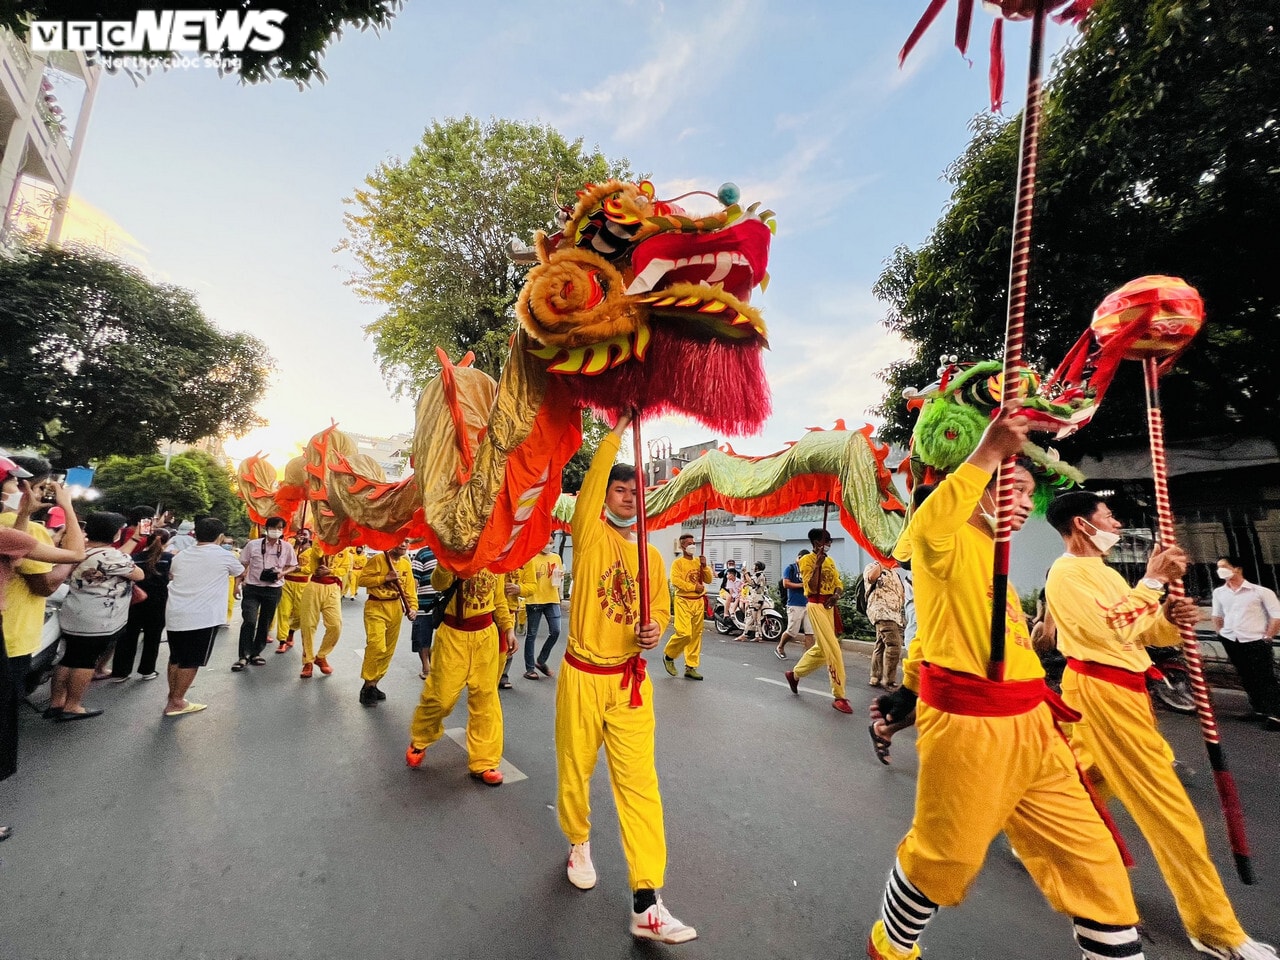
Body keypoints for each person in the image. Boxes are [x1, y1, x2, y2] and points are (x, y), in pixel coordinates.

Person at [866, 407, 1146, 960]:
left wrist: (909, 691)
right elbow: (929, 523)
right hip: (972, 733)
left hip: (1039, 728)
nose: (1021, 504)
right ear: (974, 484)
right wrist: (987, 451)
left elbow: (962, 639)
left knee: (1095, 862)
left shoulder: (1002, 567)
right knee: (945, 858)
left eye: (1027, 494)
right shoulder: (941, 541)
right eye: (1010, 488)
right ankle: (890, 943)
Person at [1045, 492, 1277, 960]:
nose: (1114, 521)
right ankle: (1215, 928)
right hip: (1103, 693)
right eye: (1107, 515)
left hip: (1119, 692)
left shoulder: (1106, 573)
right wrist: (1152, 580)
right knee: (1172, 815)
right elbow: (1112, 626)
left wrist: (1170, 617)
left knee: (1083, 779)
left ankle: (1033, 828)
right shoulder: (1066, 574)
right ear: (1082, 524)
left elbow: (1143, 630)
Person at [555, 413, 695, 945]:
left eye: (637, 492)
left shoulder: (652, 557)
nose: (628, 498)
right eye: (620, 489)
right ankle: (578, 840)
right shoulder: (588, 533)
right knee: (576, 769)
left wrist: (653, 632)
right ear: (606, 495)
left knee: (641, 787)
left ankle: (646, 900)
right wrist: (615, 429)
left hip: (631, 684)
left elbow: (658, 612)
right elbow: (589, 488)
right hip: (582, 675)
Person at [1, 457, 87, 842]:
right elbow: (59, 571)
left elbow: (12, 559)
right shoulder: (17, 531)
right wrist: (67, 507)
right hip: (13, 637)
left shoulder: (14, 529)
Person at [404, 565, 515, 785]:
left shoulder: (495, 558)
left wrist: (509, 628)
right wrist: (452, 563)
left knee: (485, 699)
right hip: (453, 637)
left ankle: (484, 762)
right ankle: (421, 737)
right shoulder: (453, 553)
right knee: (441, 698)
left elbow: (499, 599)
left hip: (486, 637)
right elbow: (438, 583)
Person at [47, 511, 144, 721]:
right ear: (116, 533)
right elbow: (138, 574)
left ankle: (56, 702)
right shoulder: (112, 557)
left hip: (75, 612)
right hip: (99, 618)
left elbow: (117, 557)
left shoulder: (80, 550)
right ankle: (73, 705)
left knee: (69, 658)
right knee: (85, 662)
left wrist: (134, 539)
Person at [164, 517, 244, 717]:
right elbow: (240, 571)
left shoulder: (181, 556)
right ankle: (177, 701)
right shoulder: (224, 556)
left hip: (176, 613)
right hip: (202, 617)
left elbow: (172, 575)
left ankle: (172, 696)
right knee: (191, 660)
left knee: (176, 657)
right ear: (220, 537)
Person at [783, 528, 850, 714]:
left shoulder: (830, 560)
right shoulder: (806, 560)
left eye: (830, 540)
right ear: (815, 542)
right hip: (815, 606)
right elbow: (810, 587)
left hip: (829, 607)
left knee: (822, 649)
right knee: (833, 649)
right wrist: (817, 566)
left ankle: (795, 674)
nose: (829, 544)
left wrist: (836, 595)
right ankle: (840, 696)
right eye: (826, 540)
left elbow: (838, 584)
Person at [1212, 555, 1280, 730]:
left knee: (1265, 678)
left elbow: (1276, 616)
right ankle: (1258, 709)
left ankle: (1275, 714)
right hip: (1232, 640)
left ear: (1237, 568)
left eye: (1224, 566)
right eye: (1218, 567)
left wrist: (1268, 637)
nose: (1220, 570)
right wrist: (1220, 633)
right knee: (1246, 676)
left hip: (1255, 641)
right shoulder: (1219, 593)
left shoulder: (1261, 592)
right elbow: (1217, 615)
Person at [232, 516, 298, 671]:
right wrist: (236, 585)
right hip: (252, 587)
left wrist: (282, 573)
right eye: (273, 528)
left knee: (265, 622)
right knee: (249, 619)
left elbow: (294, 565)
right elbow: (242, 565)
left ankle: (256, 653)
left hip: (273, 589)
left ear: (283, 531)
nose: (276, 531)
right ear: (266, 529)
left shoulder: (287, 547)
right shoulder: (253, 545)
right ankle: (243, 656)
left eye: (280, 528)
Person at [358, 542, 418, 706]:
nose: (404, 544)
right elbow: (362, 580)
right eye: (401, 540)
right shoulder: (378, 559)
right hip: (376, 606)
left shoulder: (406, 563)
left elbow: (410, 590)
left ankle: (374, 683)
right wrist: (384, 578)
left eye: (407, 541)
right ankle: (368, 685)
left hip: (395, 608)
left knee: (388, 650)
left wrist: (413, 608)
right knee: (377, 646)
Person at [110, 528, 173, 681]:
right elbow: (172, 576)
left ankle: (120, 672)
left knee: (128, 636)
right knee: (153, 636)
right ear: (167, 542)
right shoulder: (168, 558)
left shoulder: (134, 557)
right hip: (158, 603)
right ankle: (147, 670)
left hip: (134, 601)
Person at [297, 543, 352, 678]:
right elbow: (318, 554)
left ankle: (321, 656)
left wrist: (330, 572)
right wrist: (325, 541)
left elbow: (344, 569)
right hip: (314, 587)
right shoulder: (318, 542)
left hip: (333, 587)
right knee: (308, 625)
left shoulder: (345, 549)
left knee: (335, 625)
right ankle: (308, 661)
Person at [663, 533, 712, 680]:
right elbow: (675, 581)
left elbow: (708, 580)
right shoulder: (678, 563)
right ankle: (669, 655)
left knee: (696, 636)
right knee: (684, 633)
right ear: (682, 546)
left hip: (698, 602)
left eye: (693, 542)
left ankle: (691, 666)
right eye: (688, 543)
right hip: (683, 600)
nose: (692, 545)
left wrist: (705, 567)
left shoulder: (698, 562)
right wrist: (692, 587)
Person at [518, 541, 564, 680]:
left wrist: (561, 593)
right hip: (534, 600)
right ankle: (530, 669)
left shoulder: (556, 558)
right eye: (545, 542)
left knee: (556, 631)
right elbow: (522, 578)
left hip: (552, 599)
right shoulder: (530, 558)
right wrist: (533, 577)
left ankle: (541, 660)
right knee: (532, 634)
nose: (548, 545)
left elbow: (560, 577)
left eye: (551, 542)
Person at [865, 559, 906, 689]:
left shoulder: (894, 572)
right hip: (882, 612)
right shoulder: (873, 566)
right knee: (894, 645)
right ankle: (889, 681)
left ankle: (875, 677)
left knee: (881, 644)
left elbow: (901, 593)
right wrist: (882, 562)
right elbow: (871, 578)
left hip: (894, 614)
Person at [274, 527, 313, 654]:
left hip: (303, 585)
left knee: (301, 614)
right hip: (287, 583)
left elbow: (312, 568)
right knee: (284, 612)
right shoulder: (289, 546)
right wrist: (295, 546)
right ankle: (282, 641)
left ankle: (291, 630)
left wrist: (300, 569)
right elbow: (279, 560)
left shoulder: (314, 551)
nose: (301, 536)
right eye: (299, 534)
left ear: (310, 537)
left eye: (305, 534)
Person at [775, 548, 812, 660]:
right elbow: (786, 584)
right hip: (795, 604)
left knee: (810, 632)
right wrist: (802, 585)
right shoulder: (791, 568)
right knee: (792, 631)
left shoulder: (809, 569)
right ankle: (780, 647)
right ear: (798, 557)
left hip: (808, 603)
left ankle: (807, 656)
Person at [410, 543, 439, 679]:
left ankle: (438, 665)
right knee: (423, 638)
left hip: (445, 606)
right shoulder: (422, 554)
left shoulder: (450, 553)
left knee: (444, 638)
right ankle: (426, 667)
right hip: (424, 605)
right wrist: (411, 604)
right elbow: (414, 581)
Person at [740, 560, 768, 642]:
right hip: (759, 598)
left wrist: (745, 573)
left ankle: (744, 634)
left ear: (757, 567)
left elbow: (752, 583)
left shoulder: (758, 575)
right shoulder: (761, 575)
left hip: (755, 598)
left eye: (754, 565)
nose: (752, 567)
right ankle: (758, 635)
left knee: (750, 617)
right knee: (757, 618)